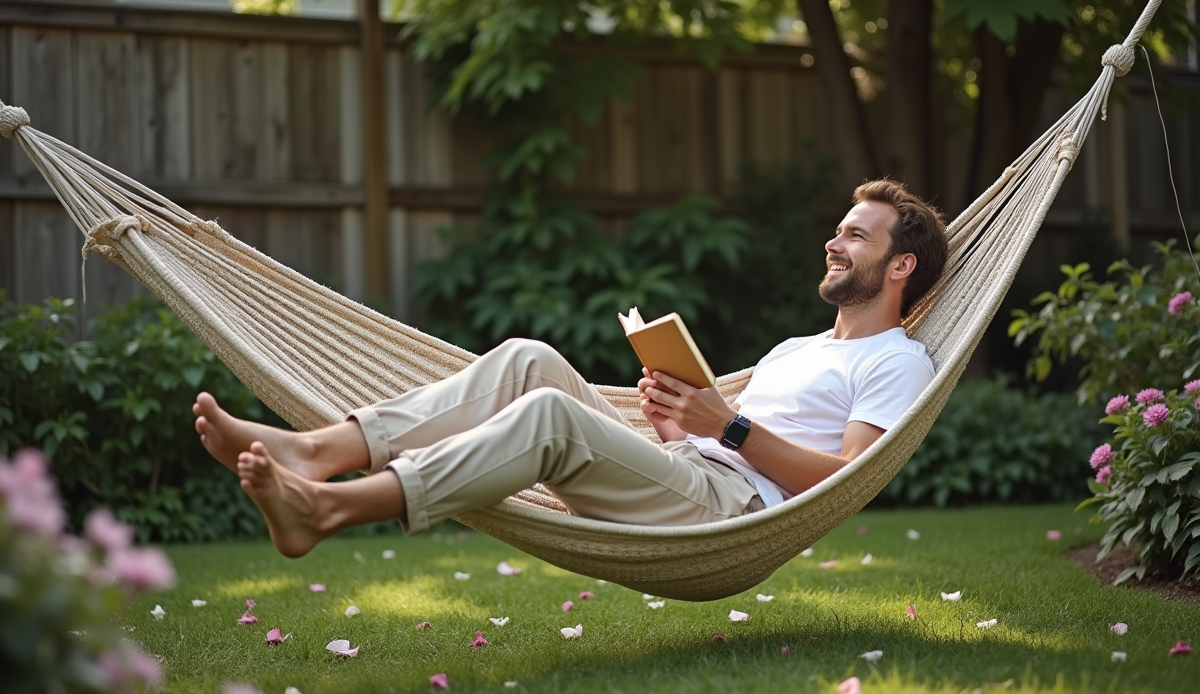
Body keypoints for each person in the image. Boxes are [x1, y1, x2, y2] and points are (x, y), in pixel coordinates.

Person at [193, 179, 947, 559]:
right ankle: (317, 450)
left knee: (549, 418)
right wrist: (678, 422)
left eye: (855, 235)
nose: (833, 242)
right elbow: (721, 437)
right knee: (529, 359)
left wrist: (730, 425)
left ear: (900, 264)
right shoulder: (797, 349)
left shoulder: (898, 361)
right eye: (838, 230)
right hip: (688, 475)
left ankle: (327, 509)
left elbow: (845, 477)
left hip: (731, 514)